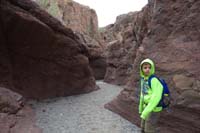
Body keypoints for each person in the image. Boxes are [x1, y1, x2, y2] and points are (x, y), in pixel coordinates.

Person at [139, 58, 163, 133]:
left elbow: (156, 97)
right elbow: (142, 95)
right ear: (141, 69)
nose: (147, 69)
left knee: (149, 129)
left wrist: (145, 111)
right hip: (146, 107)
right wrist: (141, 108)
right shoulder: (143, 79)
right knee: (143, 126)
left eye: (149, 67)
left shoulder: (153, 80)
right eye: (145, 67)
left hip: (154, 109)